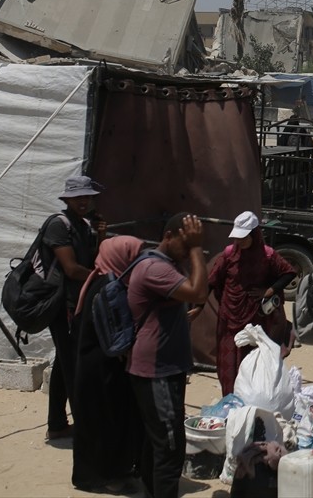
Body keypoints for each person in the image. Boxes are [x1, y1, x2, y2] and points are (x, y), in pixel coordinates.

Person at [127, 213, 208, 498]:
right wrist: (197, 247)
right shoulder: (154, 268)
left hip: (164, 368)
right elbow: (199, 291)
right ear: (169, 236)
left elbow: (191, 295)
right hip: (156, 371)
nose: (189, 250)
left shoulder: (167, 265)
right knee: (170, 448)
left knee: (158, 443)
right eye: (185, 243)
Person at [71, 235, 144, 493]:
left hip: (94, 364)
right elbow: (115, 335)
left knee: (96, 421)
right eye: (133, 257)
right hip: (103, 368)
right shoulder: (109, 286)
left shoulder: (99, 279)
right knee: (106, 421)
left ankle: (100, 474)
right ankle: (107, 477)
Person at [43, 176, 106, 441]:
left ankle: (57, 424)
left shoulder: (82, 226)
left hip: (74, 302)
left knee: (63, 363)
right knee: (73, 366)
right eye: (79, 197)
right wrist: (101, 277)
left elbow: (90, 261)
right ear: (67, 199)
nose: (84, 201)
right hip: (62, 306)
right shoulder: (59, 225)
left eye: (88, 196)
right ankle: (86, 429)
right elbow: (70, 268)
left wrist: (100, 235)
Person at [206, 211, 296, 396]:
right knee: (228, 367)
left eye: (244, 238)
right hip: (229, 317)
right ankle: (230, 403)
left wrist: (269, 290)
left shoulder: (268, 255)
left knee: (253, 364)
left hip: (256, 320)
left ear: (254, 235)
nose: (239, 242)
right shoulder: (229, 254)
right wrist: (197, 306)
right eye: (237, 238)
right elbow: (213, 280)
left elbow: (288, 273)